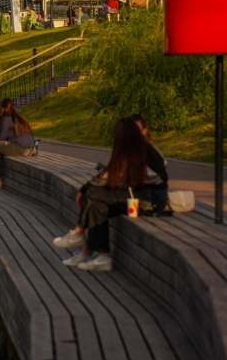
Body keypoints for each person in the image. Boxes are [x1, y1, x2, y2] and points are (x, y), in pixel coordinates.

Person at [53, 116, 166, 272]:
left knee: (94, 193)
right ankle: (101, 256)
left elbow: (109, 177)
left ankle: (79, 233)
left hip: (151, 200)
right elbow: (110, 176)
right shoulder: (133, 147)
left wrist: (85, 191)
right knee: (98, 206)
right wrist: (85, 190)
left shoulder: (140, 150)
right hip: (138, 196)